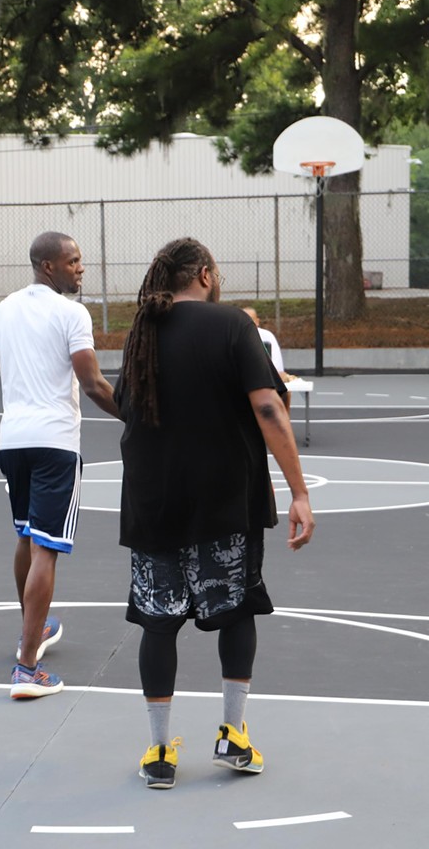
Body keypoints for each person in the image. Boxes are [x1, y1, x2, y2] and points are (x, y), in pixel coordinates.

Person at [117, 239, 314, 789]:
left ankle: (158, 751)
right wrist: (298, 491)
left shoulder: (142, 331)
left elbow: (125, 405)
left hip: (154, 499)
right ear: (205, 275)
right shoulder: (231, 325)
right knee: (236, 609)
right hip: (225, 499)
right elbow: (269, 404)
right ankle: (233, 735)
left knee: (157, 622)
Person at [0, 231, 120, 700]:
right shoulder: (72, 314)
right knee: (47, 547)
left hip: (15, 444)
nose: (81, 268)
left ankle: (37, 628)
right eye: (74, 261)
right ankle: (27, 667)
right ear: (50, 266)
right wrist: (139, 416)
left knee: (27, 535)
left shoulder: (1, 311)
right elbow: (92, 383)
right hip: (55, 445)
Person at [242, 306, 294, 412]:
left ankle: (284, 421)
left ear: (257, 322)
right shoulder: (235, 337)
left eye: (250, 321)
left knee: (285, 390)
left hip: (266, 379)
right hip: (243, 380)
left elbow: (278, 368)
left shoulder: (267, 337)